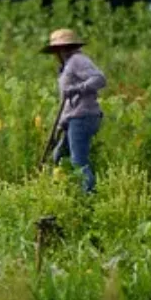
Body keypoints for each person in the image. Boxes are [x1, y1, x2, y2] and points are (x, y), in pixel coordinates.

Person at [41, 29, 106, 194]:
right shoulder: (66, 65)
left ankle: (89, 196)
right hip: (73, 118)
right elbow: (68, 101)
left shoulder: (78, 60)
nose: (59, 51)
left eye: (62, 47)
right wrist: (61, 125)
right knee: (59, 157)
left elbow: (99, 79)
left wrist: (78, 89)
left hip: (83, 116)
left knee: (78, 161)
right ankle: (63, 192)